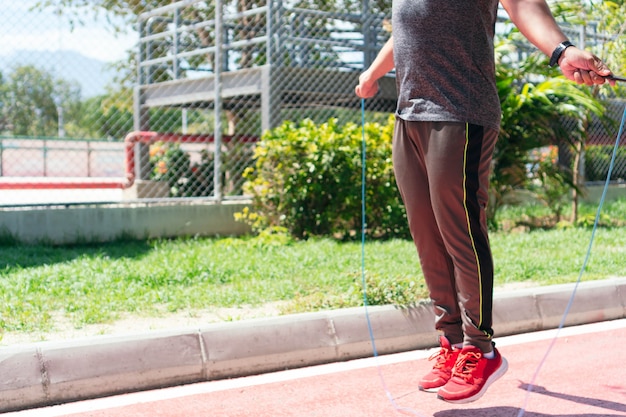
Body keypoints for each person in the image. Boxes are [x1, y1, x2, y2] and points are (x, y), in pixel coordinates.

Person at [355, 0, 616, 405]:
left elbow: (521, 3)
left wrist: (561, 50)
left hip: (459, 110)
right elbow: (410, 28)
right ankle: (452, 341)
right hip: (409, 114)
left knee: (460, 230)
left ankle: (481, 348)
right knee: (427, 235)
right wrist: (373, 73)